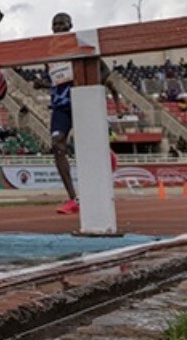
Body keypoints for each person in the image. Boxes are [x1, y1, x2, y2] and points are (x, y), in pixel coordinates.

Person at [31, 13, 123, 215]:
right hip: (60, 107)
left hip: (82, 102)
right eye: (55, 25)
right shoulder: (50, 53)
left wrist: (88, 85)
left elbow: (105, 72)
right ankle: (73, 198)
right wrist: (42, 84)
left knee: (87, 147)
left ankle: (107, 156)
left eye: (62, 24)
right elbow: (55, 81)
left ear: (70, 26)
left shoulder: (81, 45)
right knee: (57, 145)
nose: (58, 28)